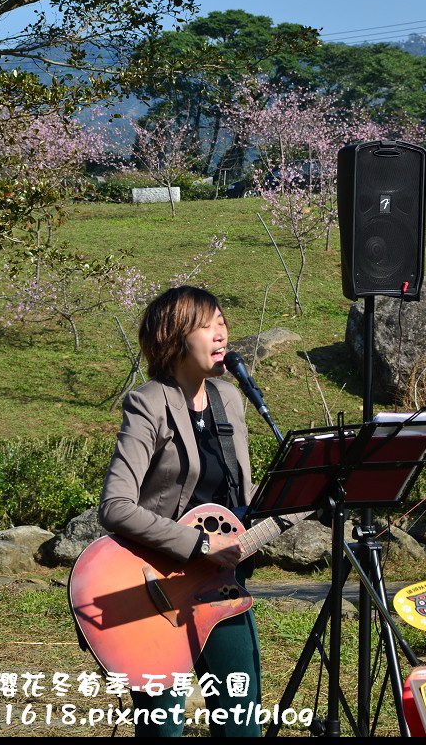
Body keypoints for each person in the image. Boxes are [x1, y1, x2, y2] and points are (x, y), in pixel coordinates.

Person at [99, 285, 261, 738]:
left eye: (223, 322)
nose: (221, 333)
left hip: (223, 588)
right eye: (209, 324)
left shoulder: (230, 398)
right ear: (174, 336)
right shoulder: (148, 402)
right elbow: (115, 506)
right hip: (157, 590)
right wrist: (201, 544)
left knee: (241, 725)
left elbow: (242, 497)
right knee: (163, 729)